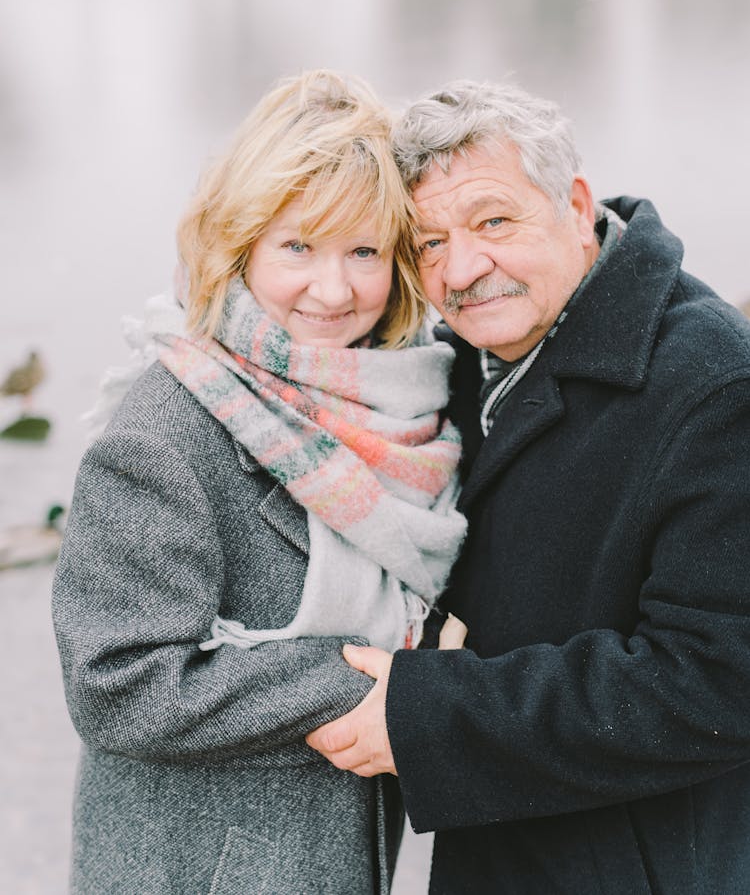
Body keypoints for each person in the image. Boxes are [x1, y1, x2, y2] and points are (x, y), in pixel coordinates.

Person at [307, 79, 750, 894]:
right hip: (506, 853)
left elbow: (720, 681)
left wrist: (430, 720)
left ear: (575, 205)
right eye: (428, 243)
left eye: (493, 222)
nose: (464, 268)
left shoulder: (715, 386)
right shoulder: (461, 367)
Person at [52, 69, 467, 895]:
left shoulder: (399, 405)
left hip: (335, 856)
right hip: (199, 871)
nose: (334, 289)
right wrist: (369, 681)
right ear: (239, 244)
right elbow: (116, 683)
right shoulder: (168, 430)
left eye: (364, 252)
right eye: (297, 247)